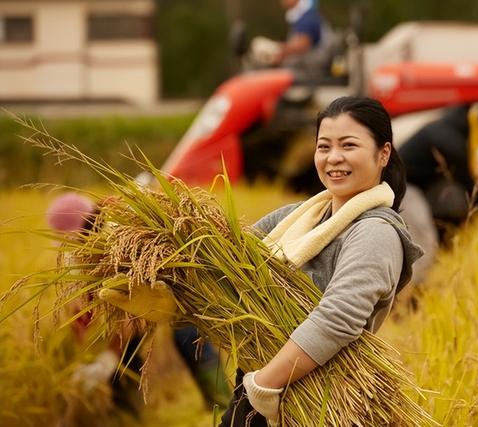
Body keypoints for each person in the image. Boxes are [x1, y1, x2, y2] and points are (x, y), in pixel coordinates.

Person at [98, 96, 424, 425]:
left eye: (348, 145)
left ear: (383, 153)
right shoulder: (297, 217)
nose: (333, 158)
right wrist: (172, 299)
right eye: (324, 147)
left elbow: (338, 319)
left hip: (316, 397)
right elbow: (226, 273)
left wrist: (266, 384)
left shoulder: (376, 233)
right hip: (263, 385)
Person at [46, 192, 231, 414]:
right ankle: (126, 414)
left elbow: (133, 314)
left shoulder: (118, 238)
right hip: (139, 300)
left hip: (175, 287)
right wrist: (81, 352)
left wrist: (107, 359)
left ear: (88, 224)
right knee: (126, 356)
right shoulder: (79, 253)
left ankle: (223, 406)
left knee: (188, 336)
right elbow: (84, 305)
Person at [398, 99, 478, 243]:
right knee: (453, 204)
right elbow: (467, 186)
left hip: (417, 184)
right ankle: (442, 247)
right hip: (404, 189)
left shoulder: (458, 124)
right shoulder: (453, 142)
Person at [250, 0, 334, 78]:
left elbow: (302, 45)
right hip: (307, 71)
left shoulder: (307, 18)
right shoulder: (306, 16)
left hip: (308, 73)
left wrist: (278, 49)